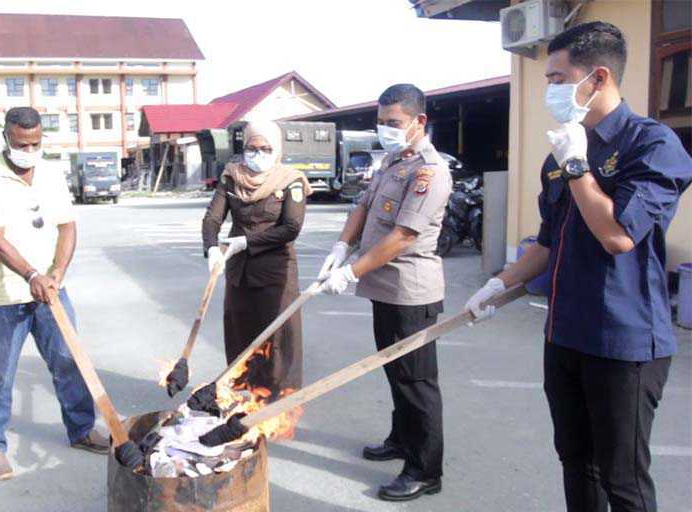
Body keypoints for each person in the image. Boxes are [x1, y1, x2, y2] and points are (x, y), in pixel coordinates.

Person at [465, 22, 691, 512]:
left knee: (623, 477)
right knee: (575, 461)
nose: (549, 90)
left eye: (557, 79)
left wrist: (577, 167)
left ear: (599, 78)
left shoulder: (650, 145)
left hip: (624, 343)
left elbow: (617, 236)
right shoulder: (558, 154)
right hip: (564, 334)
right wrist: (497, 283)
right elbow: (547, 243)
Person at [320, 84, 452, 502]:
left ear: (419, 121)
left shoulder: (429, 171)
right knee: (394, 371)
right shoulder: (395, 160)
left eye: (393, 123)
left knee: (416, 381)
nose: (384, 130)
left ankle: (425, 469)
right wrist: (342, 245)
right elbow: (362, 205)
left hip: (410, 292)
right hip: (384, 289)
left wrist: (350, 273)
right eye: (380, 122)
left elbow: (403, 236)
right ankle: (400, 437)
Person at [0, 107, 108, 481]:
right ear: (6, 138)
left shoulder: (49, 172)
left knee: (68, 359)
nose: (27, 150)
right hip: (3, 297)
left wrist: (56, 273)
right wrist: (31, 273)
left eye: (34, 143)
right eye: (20, 144)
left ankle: (81, 429)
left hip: (49, 290)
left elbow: (67, 228)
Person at [200, 120, 311, 396]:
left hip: (276, 273)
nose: (258, 154)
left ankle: (276, 402)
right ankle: (241, 395)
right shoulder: (232, 176)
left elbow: (291, 228)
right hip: (239, 272)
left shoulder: (290, 180)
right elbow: (213, 217)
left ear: (277, 150)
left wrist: (246, 243)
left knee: (278, 340)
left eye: (265, 148)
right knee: (239, 334)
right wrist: (212, 247)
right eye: (252, 148)